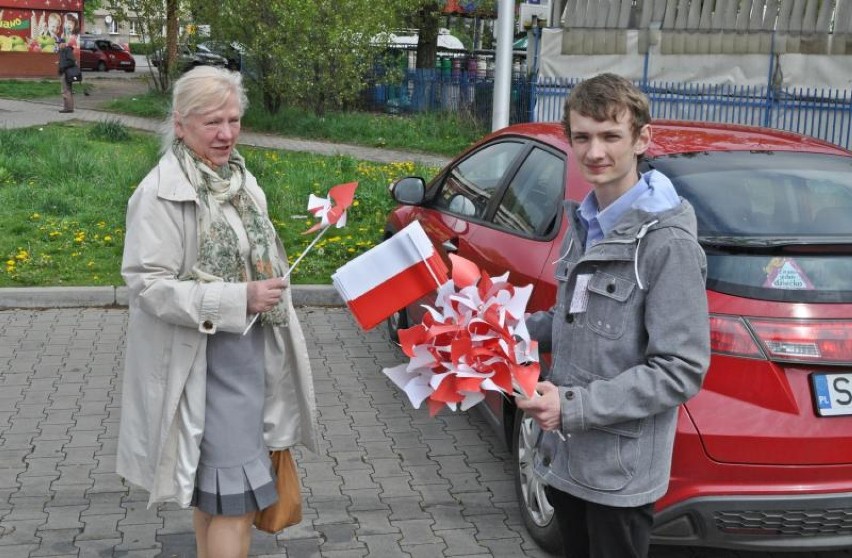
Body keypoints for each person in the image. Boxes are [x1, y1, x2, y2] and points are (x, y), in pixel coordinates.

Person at [116, 66, 319, 558]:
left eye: (232, 119)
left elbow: (259, 254)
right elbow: (148, 286)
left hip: (249, 361)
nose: (226, 133)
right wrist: (238, 298)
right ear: (180, 124)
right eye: (212, 122)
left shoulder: (242, 184)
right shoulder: (159, 193)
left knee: (215, 497)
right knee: (235, 503)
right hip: (203, 366)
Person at [515, 73, 710, 558]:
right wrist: (501, 330)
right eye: (582, 137)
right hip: (565, 457)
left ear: (641, 139)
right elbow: (573, 318)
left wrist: (572, 407)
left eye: (610, 136)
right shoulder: (587, 222)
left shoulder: (668, 244)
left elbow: (679, 370)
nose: (595, 152)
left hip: (618, 476)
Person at [57, 38, 76, 113]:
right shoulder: (63, 51)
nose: (58, 45)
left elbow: (71, 61)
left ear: (63, 44)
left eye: (59, 43)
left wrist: (62, 65)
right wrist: (60, 63)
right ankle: (69, 108)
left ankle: (67, 108)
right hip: (65, 72)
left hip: (66, 73)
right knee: (68, 90)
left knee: (65, 91)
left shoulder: (67, 50)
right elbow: (66, 61)